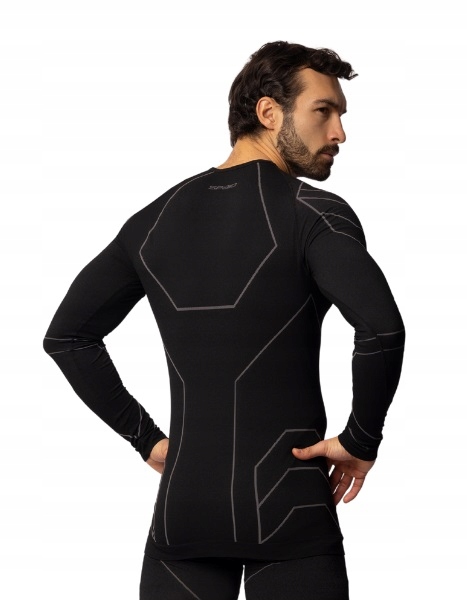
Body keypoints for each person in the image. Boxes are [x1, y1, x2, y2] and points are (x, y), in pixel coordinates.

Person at [43, 41, 405, 600]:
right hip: (290, 508)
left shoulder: (152, 221)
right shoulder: (314, 214)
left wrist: (147, 440)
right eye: (324, 111)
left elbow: (68, 337)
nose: (339, 133)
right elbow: (381, 329)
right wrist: (361, 439)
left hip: (185, 507)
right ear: (268, 112)